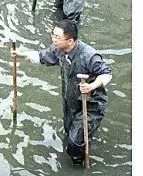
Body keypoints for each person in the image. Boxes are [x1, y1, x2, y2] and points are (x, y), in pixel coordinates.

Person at [11, 19, 112, 166]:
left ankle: (78, 164)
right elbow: (42, 56)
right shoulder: (59, 49)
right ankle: (85, 139)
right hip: (70, 98)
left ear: (70, 40)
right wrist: (21, 55)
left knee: (74, 142)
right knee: (69, 129)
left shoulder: (89, 55)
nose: (54, 40)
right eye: (53, 36)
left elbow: (107, 74)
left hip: (90, 103)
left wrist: (91, 86)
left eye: (57, 37)